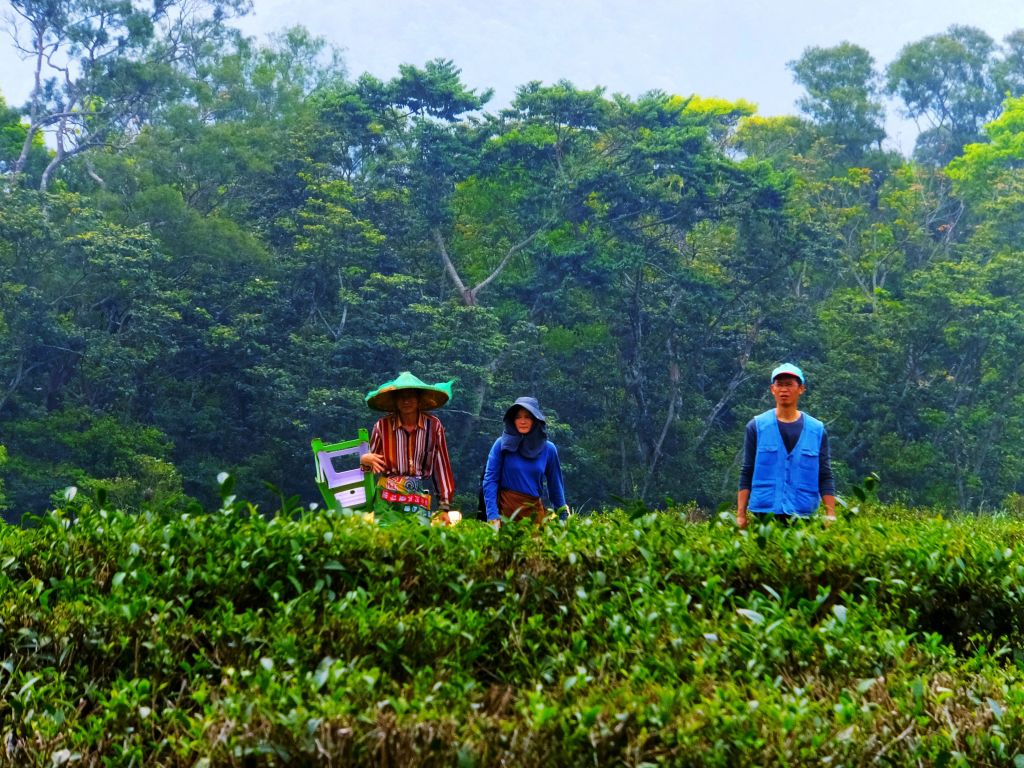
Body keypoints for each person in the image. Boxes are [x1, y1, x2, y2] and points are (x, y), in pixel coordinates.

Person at [737, 363, 836, 528]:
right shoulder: (756, 426)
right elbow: (747, 471)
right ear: (772, 389)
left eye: (789, 384)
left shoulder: (816, 430)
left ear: (801, 389)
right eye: (779, 384)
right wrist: (740, 514)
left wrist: (830, 514)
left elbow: (825, 474)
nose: (784, 389)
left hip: (804, 515)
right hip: (764, 515)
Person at [360, 371, 456, 525]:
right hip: (387, 495)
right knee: (387, 540)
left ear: (418, 399)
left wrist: (444, 506)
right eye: (401, 397)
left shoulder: (433, 426)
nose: (406, 401)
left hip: (416, 494)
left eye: (410, 396)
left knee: (418, 540)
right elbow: (371, 468)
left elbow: (441, 466)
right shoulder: (382, 426)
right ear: (395, 401)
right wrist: (364, 460)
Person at [482, 396, 569, 529]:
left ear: (535, 420)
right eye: (518, 417)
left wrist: (563, 518)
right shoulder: (501, 445)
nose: (522, 421)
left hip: (534, 515)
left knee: (537, 549)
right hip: (506, 514)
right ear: (513, 420)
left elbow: (555, 486)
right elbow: (490, 480)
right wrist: (493, 516)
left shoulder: (548, 449)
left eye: (527, 417)